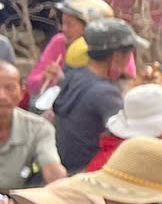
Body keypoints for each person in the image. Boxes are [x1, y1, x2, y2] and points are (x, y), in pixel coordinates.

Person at [51, 18, 142, 174]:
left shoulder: (74, 76)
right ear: (117, 56)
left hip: (64, 166)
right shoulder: (105, 93)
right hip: (85, 174)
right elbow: (126, 136)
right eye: (129, 55)